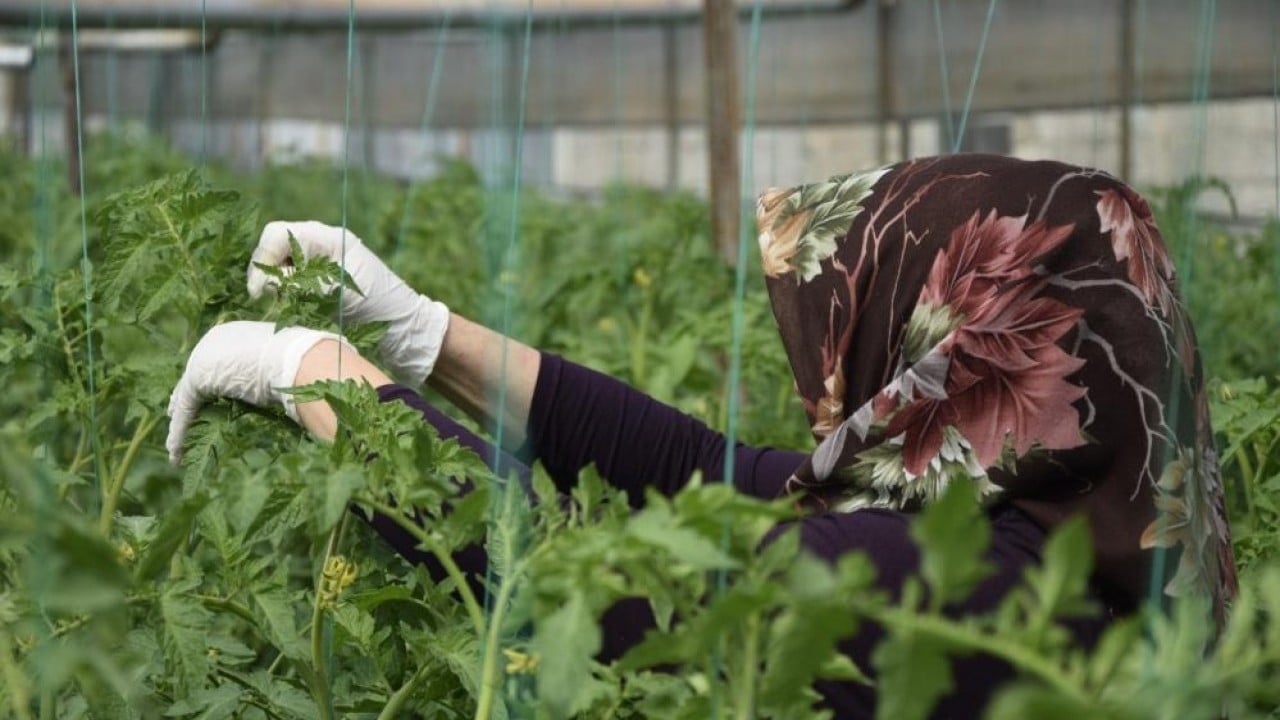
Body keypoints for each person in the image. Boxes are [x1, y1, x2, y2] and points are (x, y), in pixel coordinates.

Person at [164, 154, 1237, 718]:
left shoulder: (935, 584)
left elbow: (564, 584)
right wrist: (424, 335)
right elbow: (717, 476)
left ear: (948, 341)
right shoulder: (1087, 526)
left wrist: (308, 376)